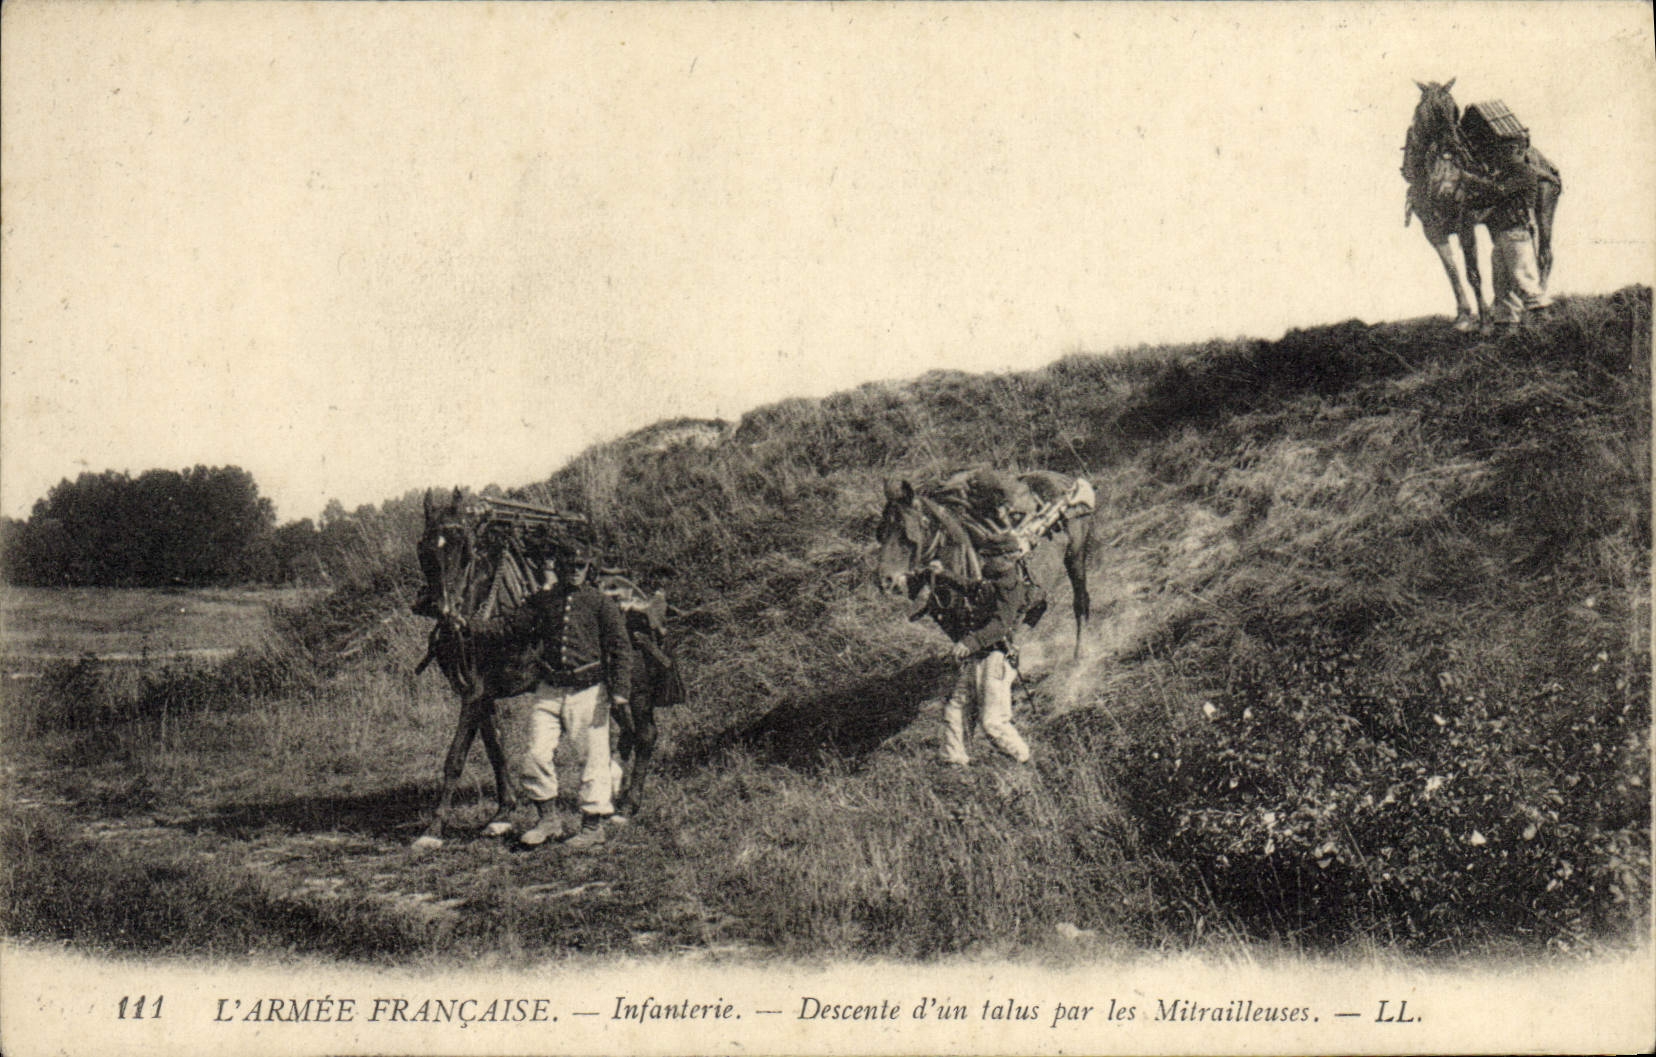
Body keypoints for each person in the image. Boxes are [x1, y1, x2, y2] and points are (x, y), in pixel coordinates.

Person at [490, 542, 631, 850]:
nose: (575, 571)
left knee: (593, 758)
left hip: (589, 692)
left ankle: (593, 827)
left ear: (588, 568)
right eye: (569, 566)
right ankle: (548, 821)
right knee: (536, 754)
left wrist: (620, 691)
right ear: (559, 568)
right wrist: (468, 626)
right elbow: (510, 625)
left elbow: (621, 648)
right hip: (549, 691)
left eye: (580, 566)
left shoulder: (600, 603)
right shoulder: (544, 600)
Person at [926, 556, 1037, 766]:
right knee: (956, 708)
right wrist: (942, 573)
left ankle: (1022, 758)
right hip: (979, 657)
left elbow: (1000, 625)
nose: (986, 558)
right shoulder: (993, 581)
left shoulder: (1009, 587)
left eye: (991, 555)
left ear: (1006, 558)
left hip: (996, 659)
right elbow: (970, 587)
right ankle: (953, 760)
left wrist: (970, 642)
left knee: (993, 721)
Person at [1464, 135, 1552, 329]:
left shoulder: (1525, 173)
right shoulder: (1508, 174)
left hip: (1517, 233)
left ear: (1520, 151)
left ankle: (1542, 322)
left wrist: (1472, 181)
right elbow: (1488, 197)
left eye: (1509, 150)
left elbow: (1498, 191)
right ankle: (1506, 324)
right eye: (1503, 150)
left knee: (1524, 278)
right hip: (1503, 234)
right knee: (1501, 283)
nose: (1504, 154)